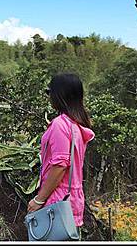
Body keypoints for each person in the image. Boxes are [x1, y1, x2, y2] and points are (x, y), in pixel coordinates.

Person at [27, 73, 95, 240]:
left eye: (50, 92)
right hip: (72, 201)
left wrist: (39, 200)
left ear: (60, 95)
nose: (49, 97)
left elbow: (60, 166)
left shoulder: (60, 125)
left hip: (57, 201)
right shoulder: (76, 125)